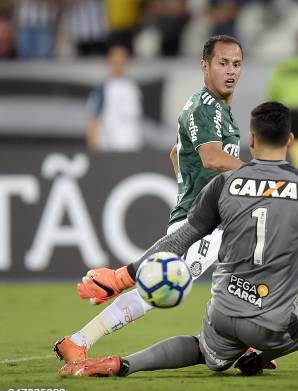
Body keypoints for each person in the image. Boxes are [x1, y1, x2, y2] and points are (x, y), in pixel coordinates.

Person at [58, 102, 298, 377]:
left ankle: (121, 364)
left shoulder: (225, 183)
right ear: (291, 139)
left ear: (251, 139)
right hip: (271, 324)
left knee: (202, 347)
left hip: (223, 315)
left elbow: (181, 240)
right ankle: (259, 356)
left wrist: (122, 275)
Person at [54, 35, 245, 363]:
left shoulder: (220, 111)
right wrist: (260, 174)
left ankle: (247, 342)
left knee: (245, 269)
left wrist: (187, 183)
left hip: (215, 216)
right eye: (222, 63)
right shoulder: (205, 107)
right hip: (202, 222)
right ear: (205, 66)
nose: (230, 71)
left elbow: (176, 153)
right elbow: (212, 158)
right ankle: (79, 340)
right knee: (155, 290)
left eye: (236, 64)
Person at [85, 45, 143, 152]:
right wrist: (93, 148)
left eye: (122, 62)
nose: (119, 65)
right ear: (109, 62)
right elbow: (93, 121)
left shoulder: (133, 89)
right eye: (115, 61)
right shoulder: (102, 89)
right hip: (109, 150)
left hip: (132, 149)